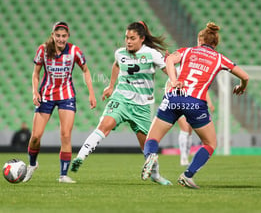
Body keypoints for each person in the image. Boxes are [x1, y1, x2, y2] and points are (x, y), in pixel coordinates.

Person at [141, 22, 249, 189]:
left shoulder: (187, 51)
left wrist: (175, 80)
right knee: (210, 143)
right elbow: (245, 76)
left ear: (200, 40)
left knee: (152, 138)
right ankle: (187, 175)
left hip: (173, 97)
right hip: (195, 103)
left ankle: (151, 156)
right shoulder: (220, 58)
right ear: (215, 43)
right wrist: (241, 87)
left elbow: (169, 59)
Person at [71, 21, 172, 185]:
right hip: (122, 98)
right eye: (126, 38)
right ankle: (80, 157)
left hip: (142, 106)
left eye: (132, 38)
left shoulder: (152, 54)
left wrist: (172, 81)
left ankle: (156, 175)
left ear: (142, 39)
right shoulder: (120, 53)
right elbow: (116, 65)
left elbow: (169, 70)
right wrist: (111, 86)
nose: (128, 41)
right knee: (105, 125)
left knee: (147, 145)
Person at [23, 21, 97, 184]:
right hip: (46, 96)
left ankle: (63, 175)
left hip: (66, 96)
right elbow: (35, 74)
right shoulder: (43, 50)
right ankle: (32, 164)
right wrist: (34, 91)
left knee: (65, 135)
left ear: (68, 37)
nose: (61, 39)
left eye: (64, 36)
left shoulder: (75, 51)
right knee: (35, 136)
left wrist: (91, 93)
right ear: (53, 36)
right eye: (58, 36)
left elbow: (86, 70)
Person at [178, 92, 214, 166]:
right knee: (185, 129)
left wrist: (209, 103)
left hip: (193, 103)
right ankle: (183, 157)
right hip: (179, 102)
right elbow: (170, 84)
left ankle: (186, 156)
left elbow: (205, 89)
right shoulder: (177, 80)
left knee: (189, 131)